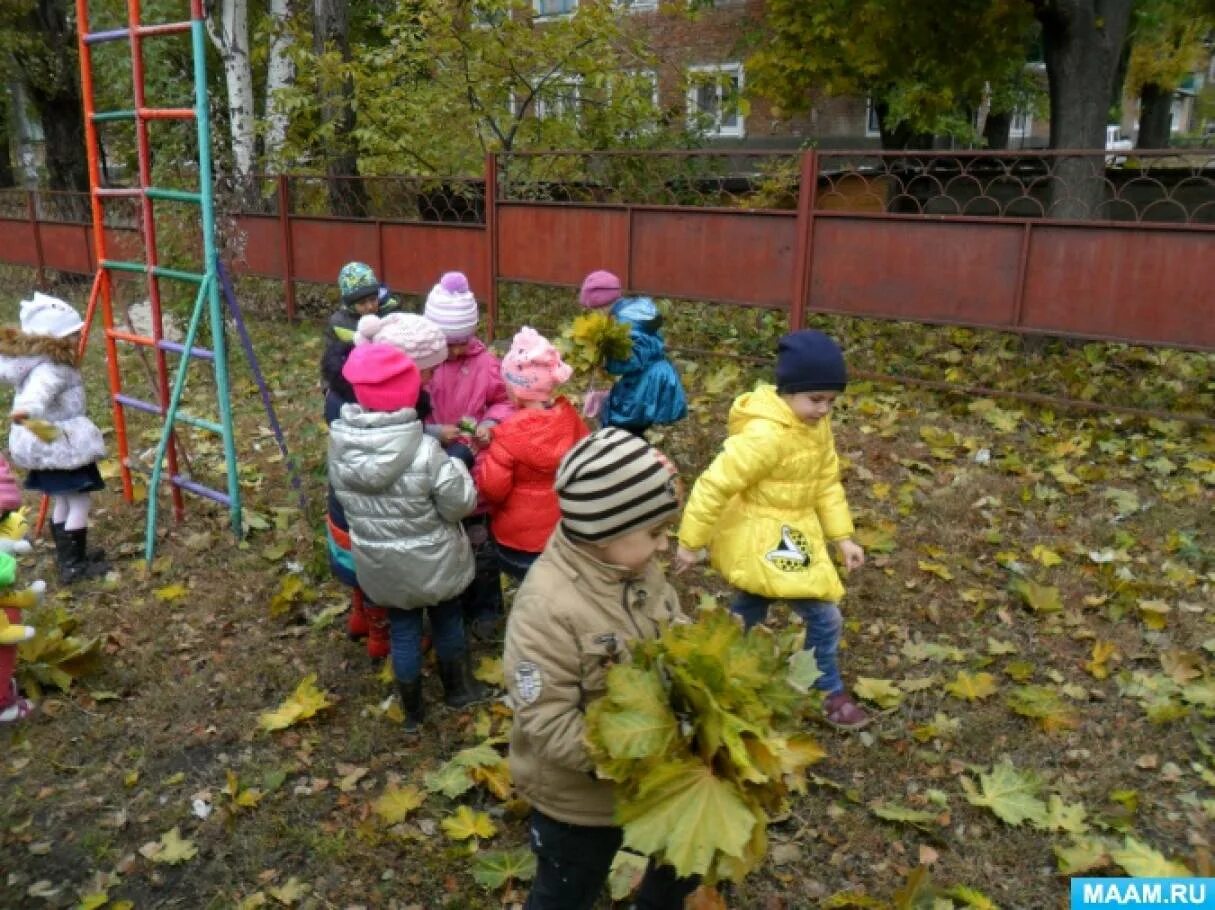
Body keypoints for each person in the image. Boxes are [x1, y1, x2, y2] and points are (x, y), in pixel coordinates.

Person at [503, 428, 700, 910]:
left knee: (678, 862)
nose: (663, 544)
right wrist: (630, 755)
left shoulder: (633, 568)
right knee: (568, 886)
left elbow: (668, 621)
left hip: (654, 774)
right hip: (577, 801)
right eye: (654, 532)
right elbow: (547, 720)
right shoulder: (547, 608)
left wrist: (698, 654)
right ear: (605, 530)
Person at [674, 329, 870, 730]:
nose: (824, 410)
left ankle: (735, 669)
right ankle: (822, 688)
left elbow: (826, 483)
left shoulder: (816, 429)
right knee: (820, 615)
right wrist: (690, 542)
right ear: (788, 391)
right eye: (816, 399)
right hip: (760, 537)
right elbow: (716, 483)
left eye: (831, 401)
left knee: (752, 608)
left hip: (795, 534)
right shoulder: (764, 437)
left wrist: (842, 538)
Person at [328, 343, 485, 737]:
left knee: (403, 629)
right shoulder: (427, 451)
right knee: (448, 621)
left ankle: (413, 711)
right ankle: (458, 690)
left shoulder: (340, 445)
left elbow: (345, 500)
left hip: (382, 564)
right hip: (435, 561)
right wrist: (458, 465)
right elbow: (459, 504)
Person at [329, 312, 454, 656]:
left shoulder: (351, 395)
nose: (431, 379)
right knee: (375, 573)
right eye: (427, 371)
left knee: (360, 571)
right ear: (401, 374)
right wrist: (432, 439)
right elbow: (388, 447)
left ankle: (359, 619)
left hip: (347, 505)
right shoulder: (372, 405)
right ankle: (380, 637)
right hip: (365, 514)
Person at [422, 271, 513, 639]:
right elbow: (409, 411)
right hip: (434, 462)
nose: (457, 350)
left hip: (475, 466)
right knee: (443, 544)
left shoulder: (486, 364)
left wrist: (490, 423)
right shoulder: (422, 367)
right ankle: (449, 608)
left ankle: (486, 609)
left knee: (482, 544)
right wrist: (433, 431)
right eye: (450, 343)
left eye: (463, 341)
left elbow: (503, 400)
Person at [0, 293, 108, 584]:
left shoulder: (32, 362)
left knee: (63, 500)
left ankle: (68, 557)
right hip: (61, 447)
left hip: (48, 447)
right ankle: (74, 565)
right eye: (72, 336)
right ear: (56, 340)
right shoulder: (54, 368)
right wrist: (29, 413)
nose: (77, 340)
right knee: (80, 502)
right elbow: (38, 395)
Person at [476, 327, 588, 582]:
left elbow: (493, 489)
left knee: (529, 592)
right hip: (563, 535)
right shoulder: (572, 421)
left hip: (517, 542)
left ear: (516, 390)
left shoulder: (507, 436)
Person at [320, 261, 398, 424]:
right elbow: (330, 358)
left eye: (373, 299)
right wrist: (328, 388)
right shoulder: (339, 323)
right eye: (362, 303)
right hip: (353, 381)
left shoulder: (391, 314)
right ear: (350, 304)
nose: (370, 306)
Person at [602, 297, 687, 438]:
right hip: (652, 375)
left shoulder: (631, 333)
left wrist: (608, 361)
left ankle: (629, 450)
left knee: (626, 421)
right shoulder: (642, 327)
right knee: (635, 420)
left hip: (645, 384)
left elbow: (630, 361)